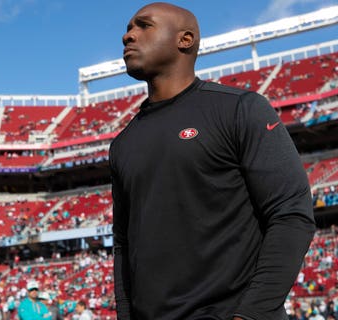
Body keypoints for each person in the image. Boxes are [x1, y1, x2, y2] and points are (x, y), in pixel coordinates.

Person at [110, 2, 316, 319]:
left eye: (143, 25)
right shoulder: (123, 143)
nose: (128, 36)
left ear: (185, 39)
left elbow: (291, 213)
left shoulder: (240, 109)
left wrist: (249, 314)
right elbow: (124, 244)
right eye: (127, 28)